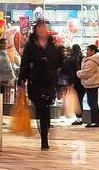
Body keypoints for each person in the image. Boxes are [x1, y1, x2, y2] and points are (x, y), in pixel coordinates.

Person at [17, 19, 64, 150]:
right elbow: (24, 65)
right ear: (36, 30)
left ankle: (45, 133)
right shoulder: (31, 46)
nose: (43, 30)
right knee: (41, 109)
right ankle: (44, 139)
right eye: (41, 27)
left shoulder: (52, 45)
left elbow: (59, 63)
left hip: (49, 83)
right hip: (36, 83)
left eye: (45, 27)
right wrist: (21, 82)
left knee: (46, 112)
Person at [77, 44, 99, 128]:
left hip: (91, 84)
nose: (86, 52)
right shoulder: (92, 60)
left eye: (88, 50)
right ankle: (94, 121)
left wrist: (78, 73)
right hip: (92, 84)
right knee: (92, 102)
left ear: (93, 51)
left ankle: (95, 121)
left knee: (92, 103)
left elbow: (86, 73)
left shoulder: (92, 61)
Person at [61, 44, 83, 126]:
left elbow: (68, 72)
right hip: (83, 82)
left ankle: (79, 118)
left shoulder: (70, 59)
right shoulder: (83, 58)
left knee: (76, 100)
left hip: (74, 82)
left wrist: (71, 83)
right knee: (79, 100)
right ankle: (80, 118)